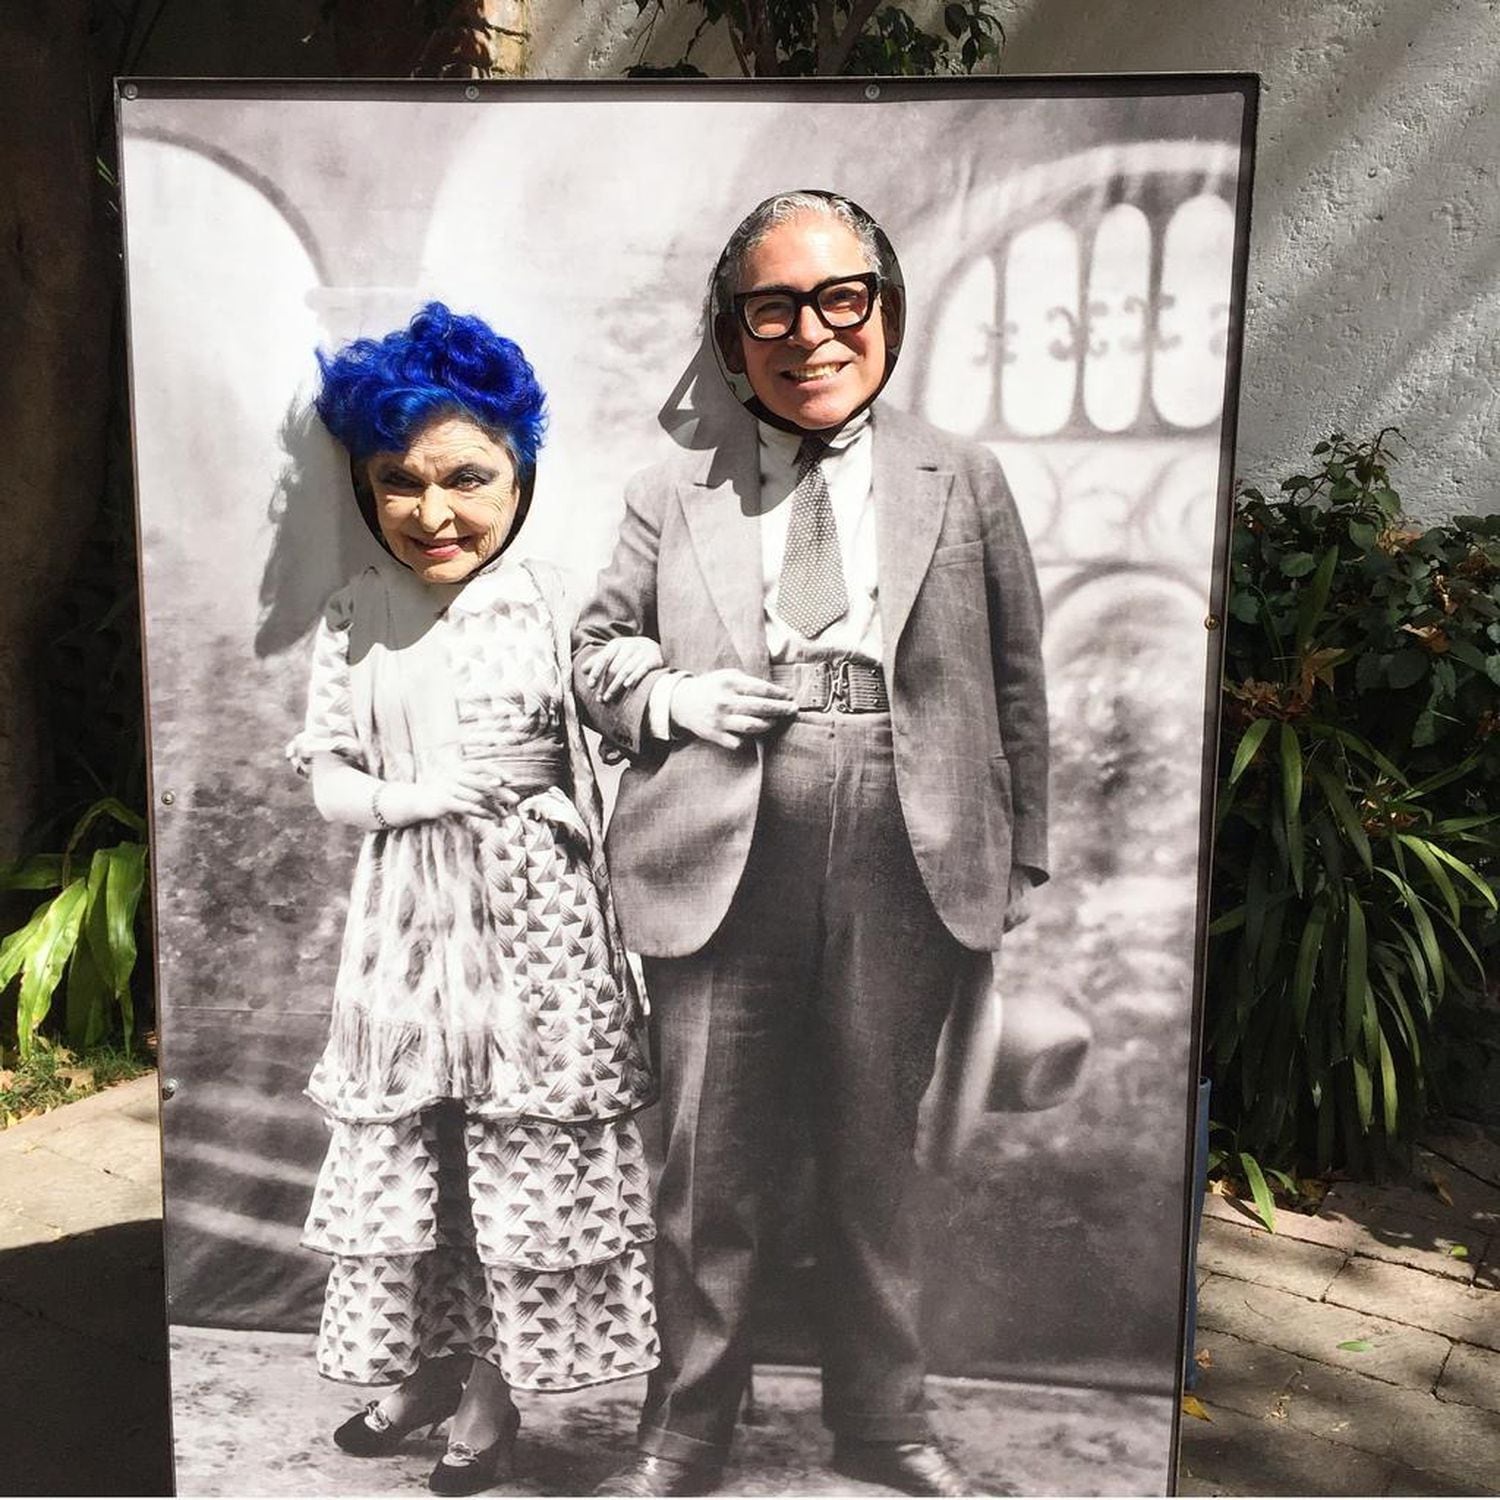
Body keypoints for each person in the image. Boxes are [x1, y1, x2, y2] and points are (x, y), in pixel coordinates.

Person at [574, 191, 1050, 1497]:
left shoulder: (966, 480)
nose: (811, 333)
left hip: (912, 840)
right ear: (733, 343)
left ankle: (884, 1426)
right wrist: (676, 697)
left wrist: (1022, 872)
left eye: (843, 298)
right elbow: (596, 657)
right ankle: (686, 1434)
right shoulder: (672, 494)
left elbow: (1016, 689)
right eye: (771, 308)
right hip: (723, 838)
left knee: (871, 1160)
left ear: (885, 313)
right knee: (706, 1166)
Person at [287, 302, 659, 1496]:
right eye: (400, 482)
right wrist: (413, 798)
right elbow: (334, 778)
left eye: (466, 477)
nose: (433, 513)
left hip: (538, 921)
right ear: (367, 488)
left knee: (513, 1153)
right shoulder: (356, 615)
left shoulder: (559, 601)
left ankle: (495, 1395)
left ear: (520, 473)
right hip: (406, 921)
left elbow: (618, 708)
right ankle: (431, 1368)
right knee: (428, 1154)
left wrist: (658, 686)